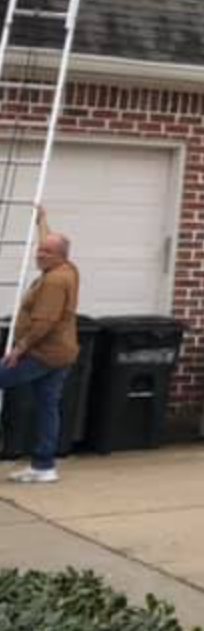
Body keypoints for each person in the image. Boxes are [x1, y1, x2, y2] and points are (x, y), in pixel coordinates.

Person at [0, 207, 81, 483]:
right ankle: (44, 466)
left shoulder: (55, 281)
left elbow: (43, 323)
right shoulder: (66, 267)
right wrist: (42, 222)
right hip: (61, 354)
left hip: (41, 354)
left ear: (59, 257)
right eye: (39, 250)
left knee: (41, 401)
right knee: (48, 405)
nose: (39, 254)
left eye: (46, 252)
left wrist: (17, 351)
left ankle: (44, 464)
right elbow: (50, 241)